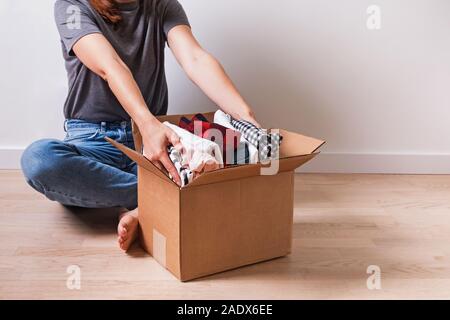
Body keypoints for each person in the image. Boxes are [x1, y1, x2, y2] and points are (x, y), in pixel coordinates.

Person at [20, 0, 260, 251]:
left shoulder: (162, 5)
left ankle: (143, 206)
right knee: (40, 160)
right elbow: (110, 66)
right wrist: (147, 123)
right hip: (93, 140)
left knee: (213, 157)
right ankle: (154, 199)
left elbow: (195, 59)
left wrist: (247, 117)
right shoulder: (71, 5)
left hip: (152, 144)